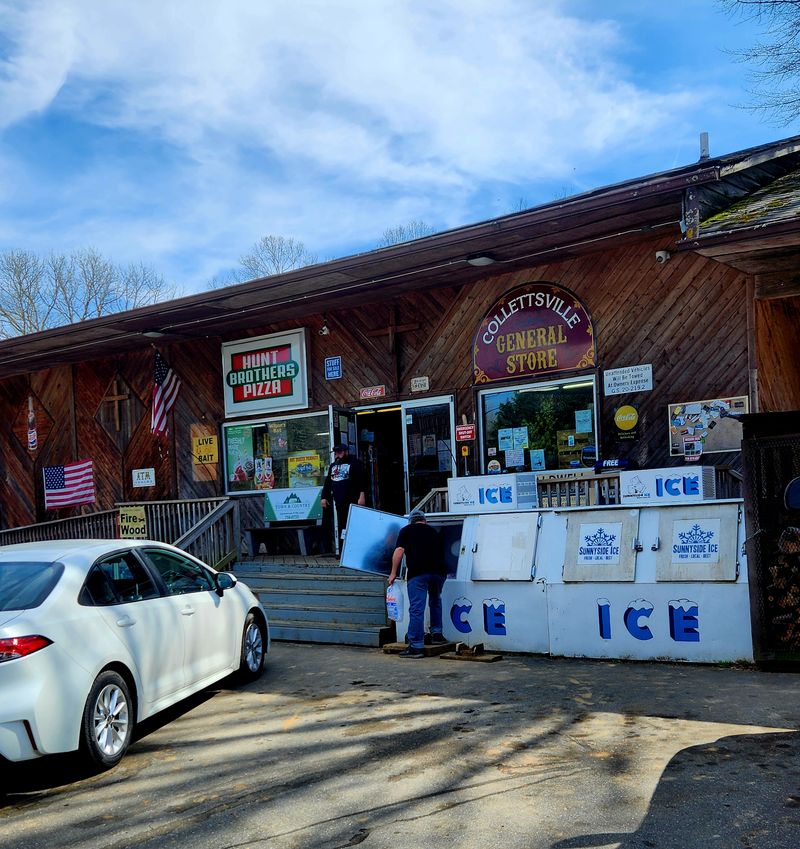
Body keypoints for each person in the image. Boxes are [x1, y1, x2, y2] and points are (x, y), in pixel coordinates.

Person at [388, 509, 447, 658]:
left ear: (411, 521)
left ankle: (416, 646)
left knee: (416, 608)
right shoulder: (434, 531)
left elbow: (399, 550)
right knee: (435, 601)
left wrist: (393, 572)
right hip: (439, 573)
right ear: (424, 521)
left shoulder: (406, 530)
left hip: (418, 573)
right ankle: (437, 634)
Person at [321, 443, 366, 550]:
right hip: (339, 501)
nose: (338, 454)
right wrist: (324, 497)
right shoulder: (333, 465)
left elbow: (362, 480)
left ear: (346, 451)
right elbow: (328, 483)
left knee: (353, 524)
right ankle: (343, 550)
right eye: (336, 452)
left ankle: (355, 549)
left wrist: (362, 495)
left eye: (340, 452)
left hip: (353, 500)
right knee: (342, 525)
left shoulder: (355, 463)